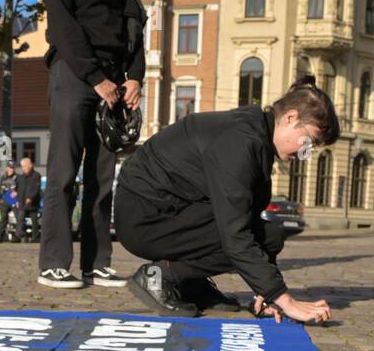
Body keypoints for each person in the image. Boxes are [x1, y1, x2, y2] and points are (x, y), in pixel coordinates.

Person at [113, 76, 337, 323]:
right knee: (242, 232)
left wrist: (264, 293)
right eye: (308, 142)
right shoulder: (240, 142)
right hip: (144, 217)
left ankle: (189, 283)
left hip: (169, 209)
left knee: (269, 235)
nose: (306, 154)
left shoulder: (257, 138)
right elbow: (235, 234)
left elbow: (250, 220)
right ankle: (160, 275)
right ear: (290, 117)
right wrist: (286, 300)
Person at [37, 0, 144, 288]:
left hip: (114, 77)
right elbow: (60, 21)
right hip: (73, 71)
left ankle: (96, 264)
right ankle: (53, 264)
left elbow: (134, 22)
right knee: (64, 171)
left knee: (103, 176)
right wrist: (95, 77)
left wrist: (135, 75)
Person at [16, 157, 42, 244]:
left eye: (24, 166)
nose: (23, 168)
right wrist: (16, 200)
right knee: (20, 220)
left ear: (30, 165)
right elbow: (18, 189)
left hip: (32, 203)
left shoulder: (36, 175)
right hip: (22, 203)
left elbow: (36, 189)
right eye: (22, 167)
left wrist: (30, 197)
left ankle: (35, 237)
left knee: (34, 221)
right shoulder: (20, 177)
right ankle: (22, 236)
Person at [0, 162, 18, 242]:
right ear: (7, 168)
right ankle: (0, 237)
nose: (11, 169)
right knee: (3, 219)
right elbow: (0, 190)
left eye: (12, 168)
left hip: (14, 200)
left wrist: (18, 196)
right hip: (5, 199)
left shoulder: (17, 177)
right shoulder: (3, 177)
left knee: (18, 219)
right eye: (10, 168)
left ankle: (17, 236)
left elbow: (20, 188)